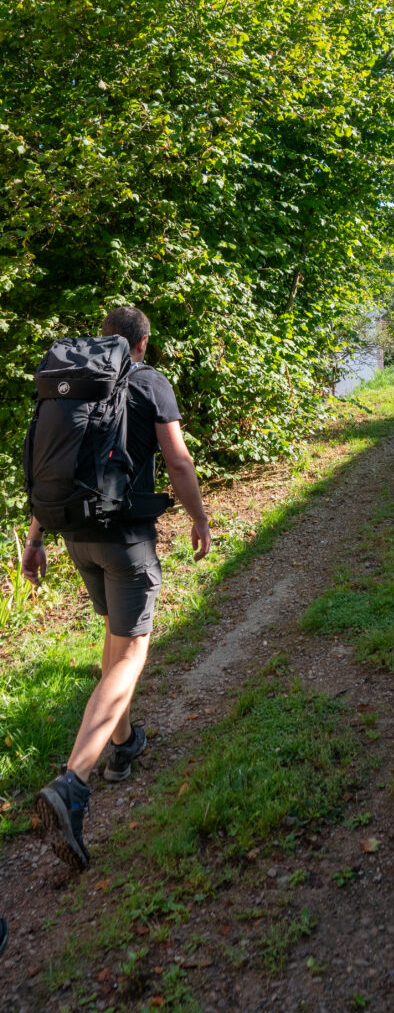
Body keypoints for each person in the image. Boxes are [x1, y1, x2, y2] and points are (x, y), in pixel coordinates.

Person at [22, 307, 211, 870]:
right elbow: (177, 461)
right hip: (126, 539)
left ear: (103, 339)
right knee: (130, 653)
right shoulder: (149, 381)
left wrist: (35, 537)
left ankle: (122, 746)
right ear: (143, 343)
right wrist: (199, 519)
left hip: (73, 533)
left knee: (113, 637)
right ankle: (73, 784)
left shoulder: (71, 385)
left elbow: (50, 464)